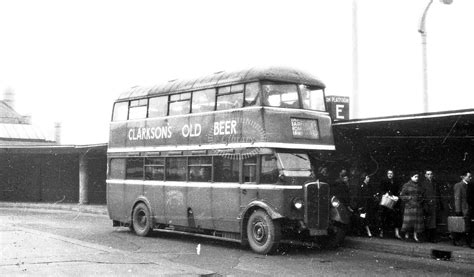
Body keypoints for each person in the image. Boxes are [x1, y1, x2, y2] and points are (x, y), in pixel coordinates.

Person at [400, 172, 425, 242]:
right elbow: (402, 195)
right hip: (409, 206)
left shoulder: (419, 185)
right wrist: (409, 198)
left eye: (417, 177)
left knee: (416, 223)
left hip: (417, 206)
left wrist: (420, 199)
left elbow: (422, 195)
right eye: (415, 177)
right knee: (408, 222)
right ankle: (406, 235)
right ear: (411, 177)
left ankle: (415, 236)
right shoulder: (406, 185)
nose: (417, 178)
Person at [379, 169, 402, 239]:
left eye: (391, 173)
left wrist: (396, 196)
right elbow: (381, 190)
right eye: (388, 173)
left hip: (393, 201)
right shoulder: (383, 181)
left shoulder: (395, 182)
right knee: (384, 217)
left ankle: (396, 233)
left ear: (393, 174)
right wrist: (386, 194)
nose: (390, 175)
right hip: (386, 201)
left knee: (395, 217)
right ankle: (382, 232)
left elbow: (398, 190)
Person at [354, 173, 379, 237]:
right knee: (362, 218)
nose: (369, 178)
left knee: (366, 218)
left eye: (369, 177)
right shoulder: (361, 186)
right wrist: (359, 206)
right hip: (363, 205)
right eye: (367, 177)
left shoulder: (369, 186)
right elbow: (359, 196)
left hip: (368, 205)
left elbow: (371, 194)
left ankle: (364, 231)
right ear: (364, 178)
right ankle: (363, 231)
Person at [421, 170, 443, 243]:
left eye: (431, 174)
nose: (429, 175)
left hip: (435, 205)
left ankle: (433, 238)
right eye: (428, 174)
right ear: (425, 175)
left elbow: (438, 194)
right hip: (427, 205)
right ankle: (428, 238)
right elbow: (422, 195)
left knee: (434, 222)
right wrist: (426, 202)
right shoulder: (423, 184)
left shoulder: (435, 183)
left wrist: (439, 204)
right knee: (428, 222)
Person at [453, 171, 473, 248]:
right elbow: (457, 198)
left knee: (468, 226)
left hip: (469, 208)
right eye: (469, 176)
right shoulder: (459, 185)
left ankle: (467, 241)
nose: (470, 178)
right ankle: (456, 240)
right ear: (463, 177)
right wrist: (458, 211)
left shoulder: (470, 185)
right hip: (463, 209)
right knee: (460, 225)